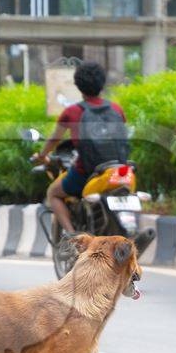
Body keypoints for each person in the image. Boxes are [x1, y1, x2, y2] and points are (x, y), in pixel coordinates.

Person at [30, 61, 128, 237]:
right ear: (102, 83)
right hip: (119, 169)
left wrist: (42, 155)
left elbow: (54, 139)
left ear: (78, 85)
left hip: (87, 172)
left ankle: (72, 234)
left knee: (53, 193)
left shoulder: (73, 112)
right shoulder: (116, 109)